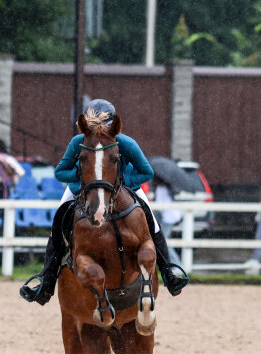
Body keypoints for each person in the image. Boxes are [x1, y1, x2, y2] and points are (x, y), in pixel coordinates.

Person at [19, 99, 189, 305]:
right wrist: (86, 181)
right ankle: (46, 281)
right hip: (84, 188)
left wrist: (122, 184)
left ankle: (168, 272)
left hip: (124, 189)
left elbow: (147, 171)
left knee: (152, 222)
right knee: (57, 225)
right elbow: (60, 171)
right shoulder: (78, 142)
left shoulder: (126, 143)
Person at [152, 176, 182, 264]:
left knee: (163, 241)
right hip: (170, 216)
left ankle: (176, 263)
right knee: (163, 240)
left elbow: (160, 205)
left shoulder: (161, 188)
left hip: (168, 217)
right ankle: (172, 263)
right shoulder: (165, 187)